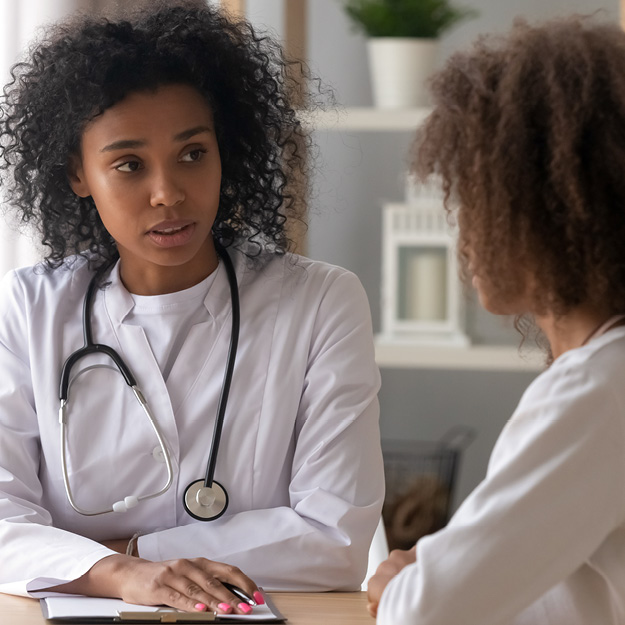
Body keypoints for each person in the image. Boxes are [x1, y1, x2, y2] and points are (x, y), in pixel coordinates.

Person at [0, 1, 384, 616]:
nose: (168, 192)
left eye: (193, 153)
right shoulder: (29, 308)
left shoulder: (320, 303)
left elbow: (335, 541)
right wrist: (125, 573)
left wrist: (121, 558)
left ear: (225, 151)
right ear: (77, 172)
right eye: (128, 164)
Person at [367, 16, 625, 625]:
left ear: (562, 210)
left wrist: (407, 579)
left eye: (483, 202)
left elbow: (422, 613)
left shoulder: (598, 390)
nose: (466, 235)